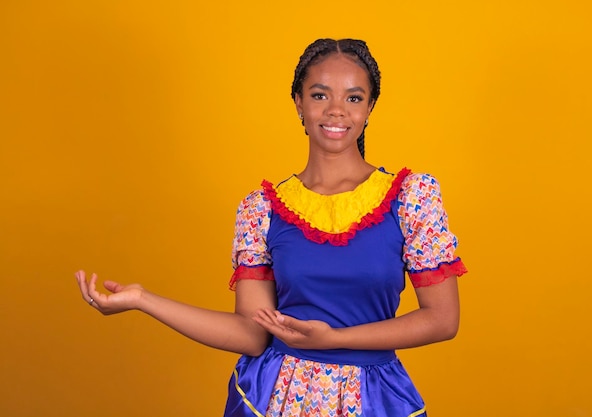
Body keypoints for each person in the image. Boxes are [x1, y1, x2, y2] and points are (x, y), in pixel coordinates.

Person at [75, 38, 468, 417]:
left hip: (372, 399)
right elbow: (251, 333)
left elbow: (442, 319)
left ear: (369, 109)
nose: (336, 110)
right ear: (298, 103)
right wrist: (143, 299)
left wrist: (335, 340)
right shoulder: (260, 208)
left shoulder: (412, 198)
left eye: (353, 97)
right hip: (277, 397)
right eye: (319, 95)